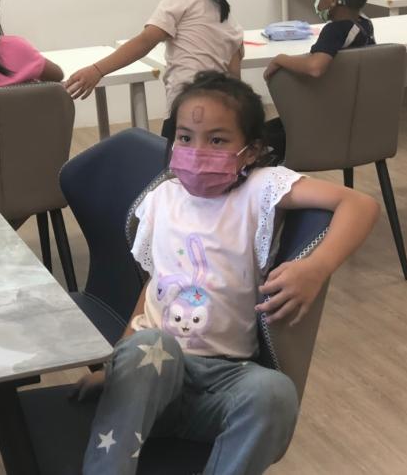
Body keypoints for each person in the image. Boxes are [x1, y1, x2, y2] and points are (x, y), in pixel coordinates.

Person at [74, 71, 380, 475]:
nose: (197, 151)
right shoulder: (162, 198)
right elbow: (154, 287)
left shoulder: (261, 188)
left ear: (251, 151)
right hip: (156, 375)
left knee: (274, 392)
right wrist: (118, 365)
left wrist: (316, 267)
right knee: (150, 346)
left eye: (217, 140)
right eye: (185, 137)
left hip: (224, 380)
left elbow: (360, 205)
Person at [64, 0, 244, 139]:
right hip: (221, 114)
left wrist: (97, 70)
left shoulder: (180, 1)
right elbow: (235, 80)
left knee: (173, 172)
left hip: (185, 112)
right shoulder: (230, 21)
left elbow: (145, 41)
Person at [261, 0, 375, 160]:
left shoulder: (336, 30)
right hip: (356, 119)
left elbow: (315, 67)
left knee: (256, 138)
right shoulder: (365, 25)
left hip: (324, 124)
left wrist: (279, 59)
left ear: (334, 1)